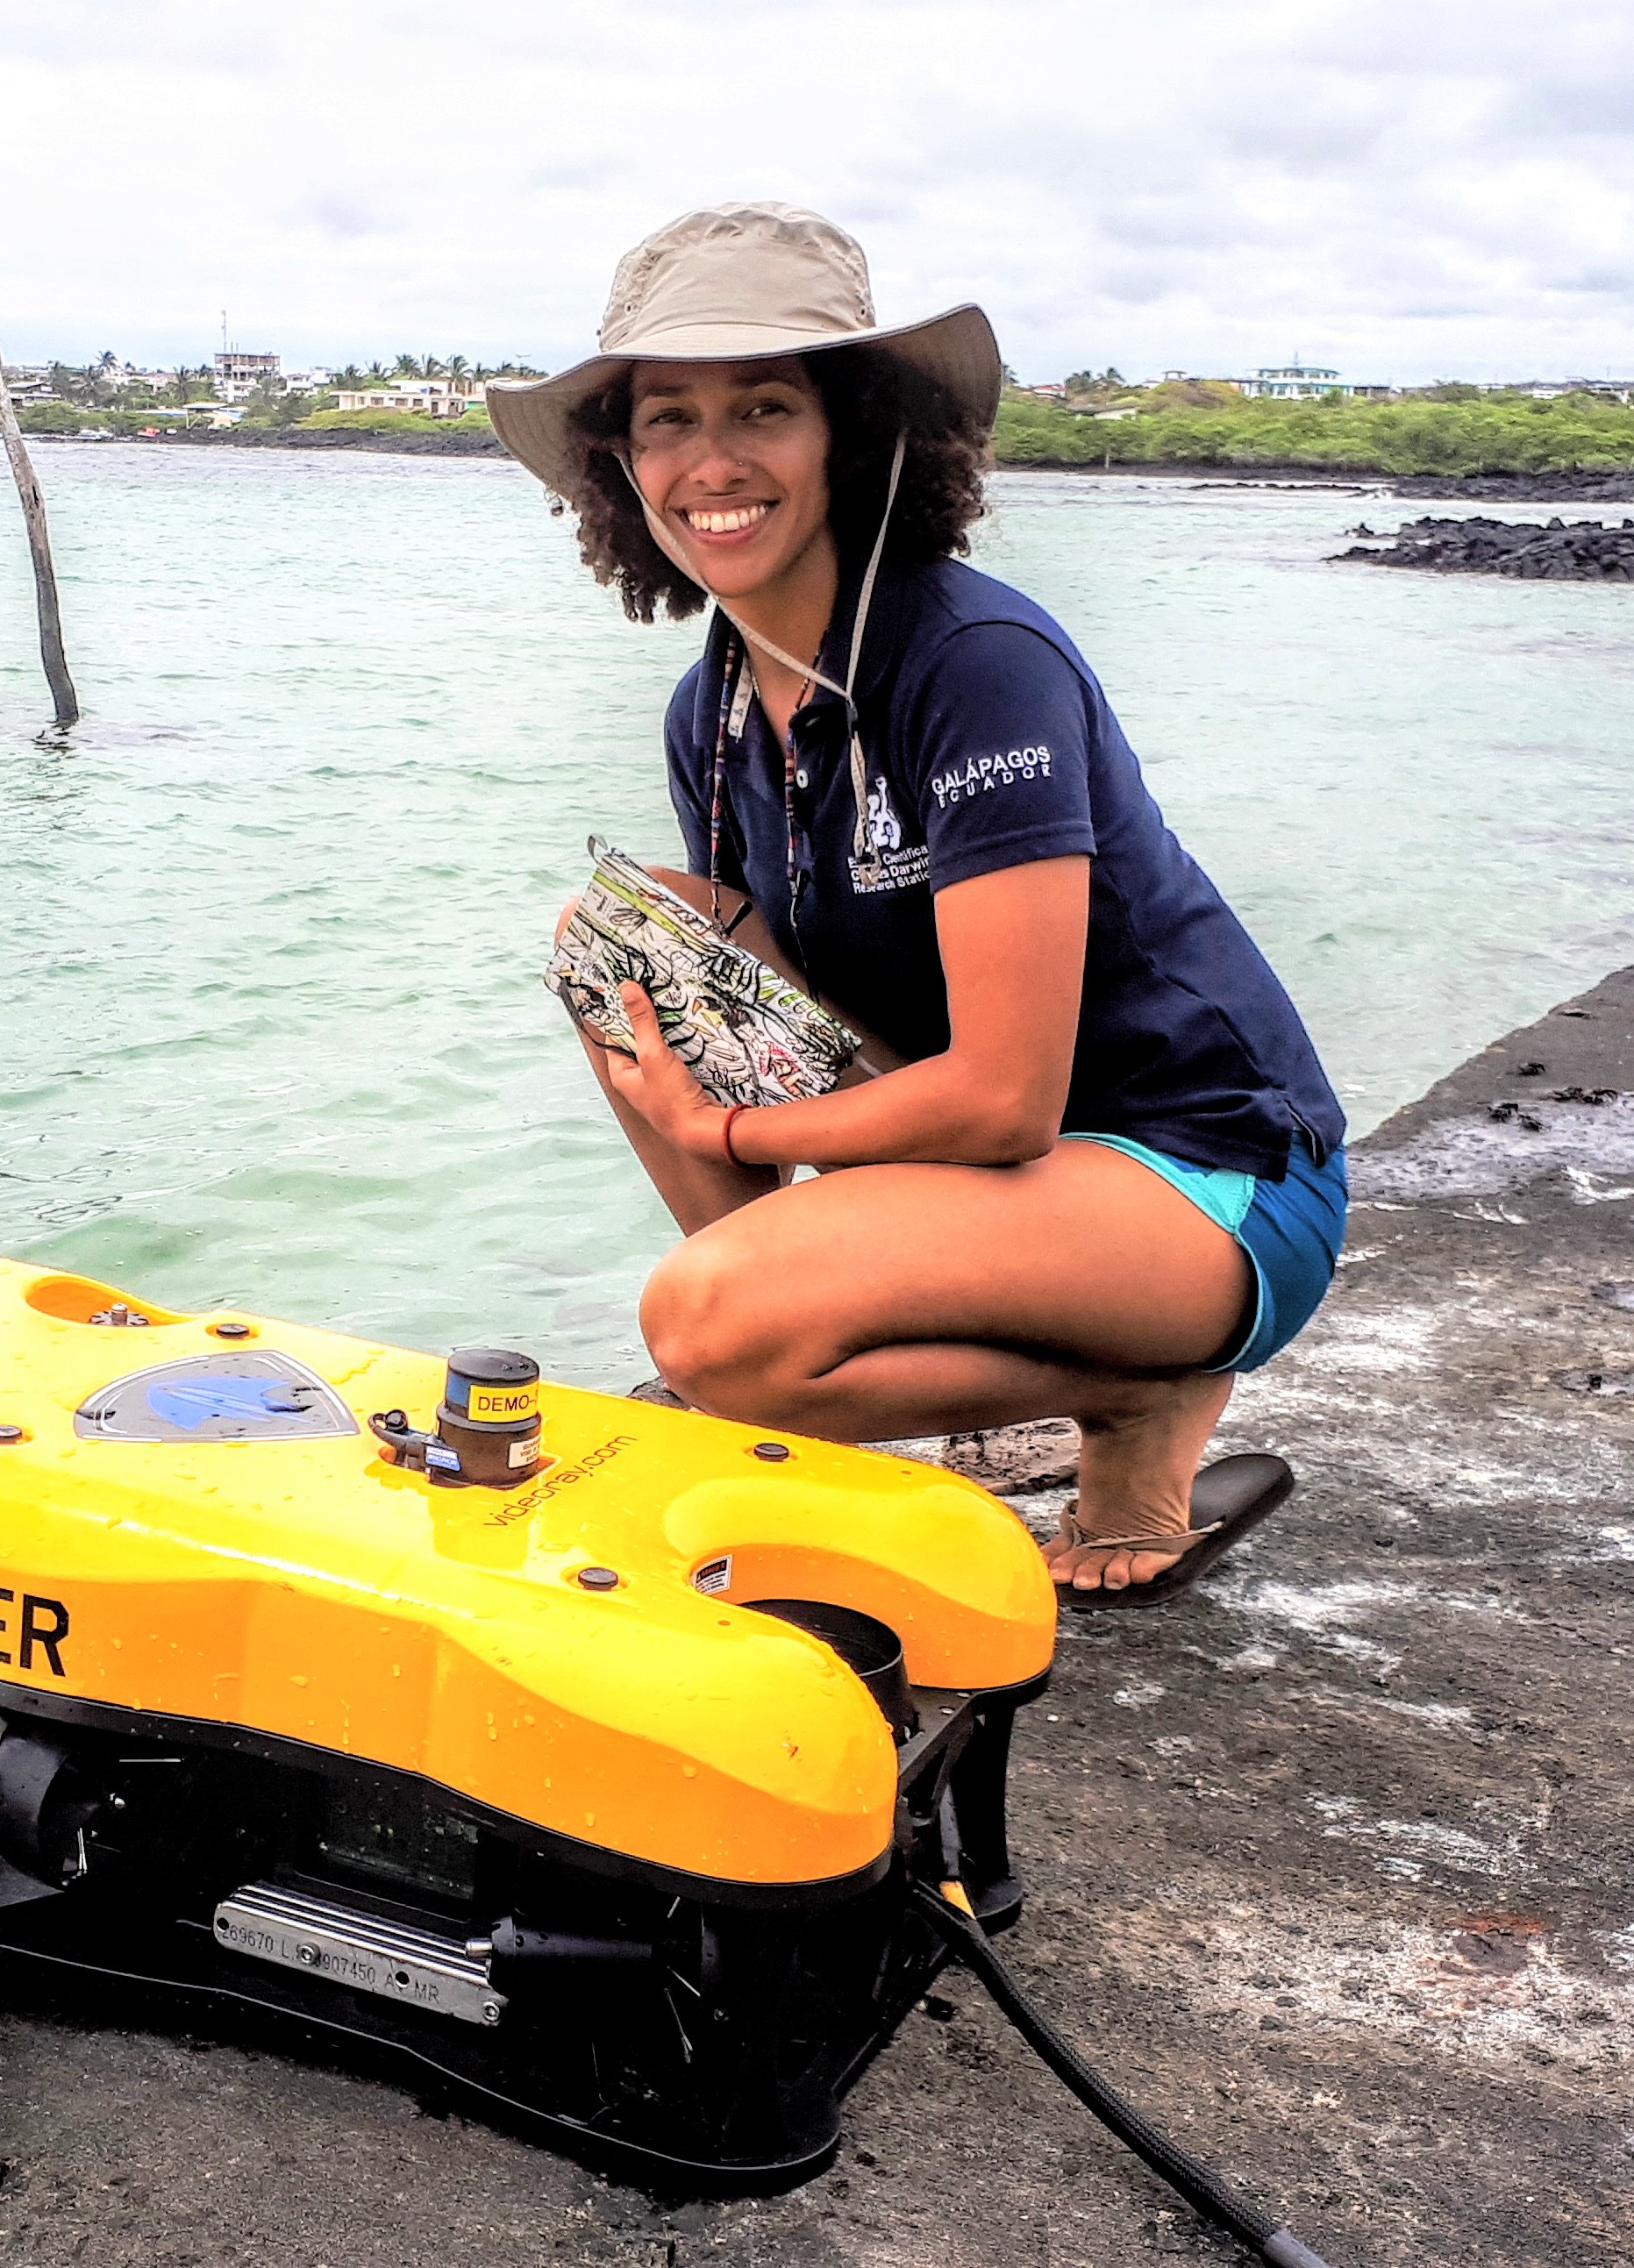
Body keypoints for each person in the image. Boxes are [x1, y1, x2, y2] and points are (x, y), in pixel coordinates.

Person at [487, 204, 1346, 1605]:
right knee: (621, 956)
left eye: (764, 406)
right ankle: (801, 1360)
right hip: (1012, 1189)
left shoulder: (974, 662)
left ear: (856, 430)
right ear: (618, 465)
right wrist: (681, 964)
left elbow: (1007, 1097)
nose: (711, 462)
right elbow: (795, 1002)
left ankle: (1141, 1391)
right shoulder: (709, 706)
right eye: (665, 421)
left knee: (706, 1321)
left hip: (1207, 1174)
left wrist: (732, 1132)